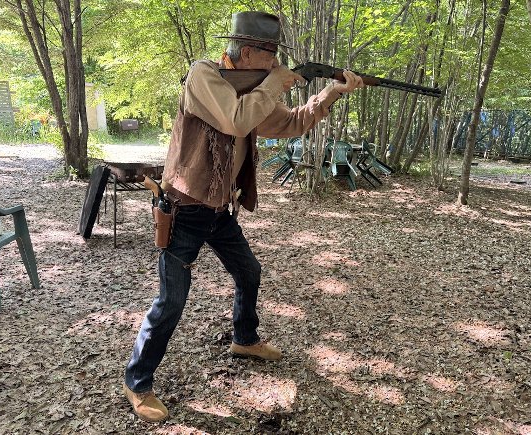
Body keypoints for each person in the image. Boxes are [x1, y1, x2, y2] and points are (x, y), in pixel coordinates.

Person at [123, 11, 364, 422]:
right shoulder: (203, 75)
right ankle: (138, 381)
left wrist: (331, 93)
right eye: (270, 55)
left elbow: (290, 123)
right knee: (171, 301)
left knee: (249, 272)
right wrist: (275, 83)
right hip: (185, 208)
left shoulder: (254, 90)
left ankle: (245, 339)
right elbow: (236, 119)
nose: (276, 63)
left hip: (220, 207)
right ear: (249, 51)